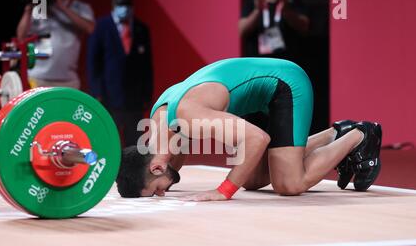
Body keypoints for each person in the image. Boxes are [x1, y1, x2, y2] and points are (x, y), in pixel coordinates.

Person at [116, 58, 382, 200]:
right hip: (259, 92)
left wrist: (224, 190)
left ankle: (359, 134)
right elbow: (172, 165)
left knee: (288, 183)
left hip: (285, 84)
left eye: (156, 191)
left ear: (156, 168)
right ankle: (333, 134)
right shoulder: (159, 121)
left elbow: (257, 139)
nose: (163, 193)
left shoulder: (187, 117)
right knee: (252, 180)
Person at [87, 0, 153, 147]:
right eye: (120, 4)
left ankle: (133, 171)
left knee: (134, 142)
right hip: (109, 97)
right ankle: (112, 171)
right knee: (109, 140)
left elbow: (147, 66)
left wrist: (147, 94)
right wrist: (96, 92)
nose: (124, 8)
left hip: (134, 99)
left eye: (127, 4)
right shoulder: (101, 27)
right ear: (113, 5)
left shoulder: (141, 29)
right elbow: (93, 62)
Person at [17, 0, 95, 89]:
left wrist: (60, 6)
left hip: (68, 79)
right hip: (38, 77)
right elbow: (21, 37)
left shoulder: (81, 7)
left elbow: (89, 28)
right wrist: (28, 8)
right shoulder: (40, 8)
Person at [239, 0, 309, 59]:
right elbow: (241, 30)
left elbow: (304, 27)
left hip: (286, 60)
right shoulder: (251, 4)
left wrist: (285, 9)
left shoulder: (292, 3)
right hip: (257, 60)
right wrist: (257, 10)